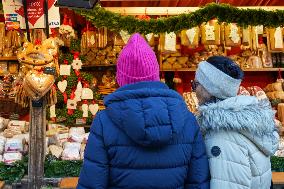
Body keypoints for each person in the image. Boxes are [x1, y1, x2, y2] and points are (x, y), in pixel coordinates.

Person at [77, 33, 210, 189]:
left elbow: (92, 183)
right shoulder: (187, 119)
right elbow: (198, 182)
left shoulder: (104, 121)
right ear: (155, 74)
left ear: (121, 78)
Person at [193, 56, 279, 189]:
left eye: (195, 85)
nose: (194, 91)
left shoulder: (220, 136)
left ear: (209, 89)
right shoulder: (246, 121)